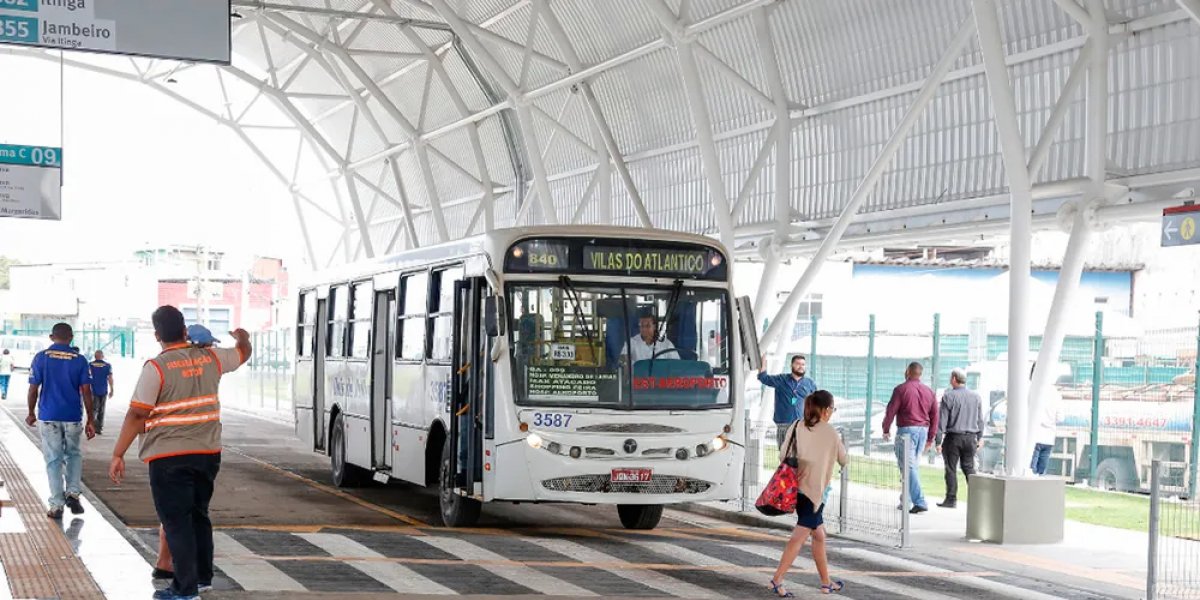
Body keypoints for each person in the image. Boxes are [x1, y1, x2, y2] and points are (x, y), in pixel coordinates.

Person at [109, 307, 251, 600]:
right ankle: (201, 579)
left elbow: (137, 414)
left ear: (157, 335)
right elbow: (243, 353)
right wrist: (242, 337)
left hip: (168, 457)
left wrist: (118, 453)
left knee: (177, 521)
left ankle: (184, 590)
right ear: (185, 330)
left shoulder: (157, 367)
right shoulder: (212, 357)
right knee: (199, 515)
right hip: (207, 454)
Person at [769, 390, 847, 597]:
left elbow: (782, 454)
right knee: (799, 536)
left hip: (796, 488)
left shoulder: (796, 425)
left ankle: (825, 582)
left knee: (819, 535)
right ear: (825, 410)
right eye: (831, 408)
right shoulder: (831, 432)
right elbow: (844, 459)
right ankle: (777, 579)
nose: (831, 412)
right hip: (816, 493)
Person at [26, 323, 96, 519]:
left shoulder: (41, 358)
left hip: (48, 416)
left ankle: (57, 505)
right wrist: (91, 418)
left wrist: (31, 412)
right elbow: (87, 391)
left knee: (53, 460)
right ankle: (73, 492)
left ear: (51, 337)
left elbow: (33, 389)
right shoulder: (80, 360)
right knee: (73, 454)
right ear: (71, 337)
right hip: (72, 415)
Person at [882, 362, 938, 514]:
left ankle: (920, 501)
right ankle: (905, 500)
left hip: (906, 430)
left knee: (908, 467)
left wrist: (886, 429)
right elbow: (935, 416)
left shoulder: (901, 389)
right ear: (920, 374)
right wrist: (930, 438)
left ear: (907, 371)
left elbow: (891, 410)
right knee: (911, 466)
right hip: (923, 431)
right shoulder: (929, 392)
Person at [934, 369, 985, 508]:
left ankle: (951, 499)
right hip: (971, 438)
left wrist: (938, 441)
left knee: (951, 468)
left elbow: (942, 421)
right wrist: (980, 437)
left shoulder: (948, 396)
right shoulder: (976, 397)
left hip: (953, 438)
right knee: (969, 467)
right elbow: (980, 420)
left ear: (954, 379)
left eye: (951, 377)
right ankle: (978, 499)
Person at [757, 354, 817, 449]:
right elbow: (763, 378)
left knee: (802, 454)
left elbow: (816, 402)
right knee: (784, 454)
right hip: (784, 424)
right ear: (791, 365)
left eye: (803, 364)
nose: (801, 366)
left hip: (802, 425)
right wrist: (764, 361)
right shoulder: (781, 380)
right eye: (798, 364)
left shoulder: (809, 383)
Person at [1030, 362, 1060, 475]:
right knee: (1041, 473)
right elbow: (1060, 417)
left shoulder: (1031, 389)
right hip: (1049, 437)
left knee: (1029, 471)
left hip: (1033, 437)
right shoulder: (1055, 392)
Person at [88, 351, 114, 435]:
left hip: (93, 390)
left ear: (95, 356)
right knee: (101, 409)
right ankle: (99, 428)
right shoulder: (107, 366)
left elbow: (87, 377)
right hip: (103, 390)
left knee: (93, 409)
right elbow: (110, 378)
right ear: (102, 356)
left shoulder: (90, 365)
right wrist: (112, 389)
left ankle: (92, 425)